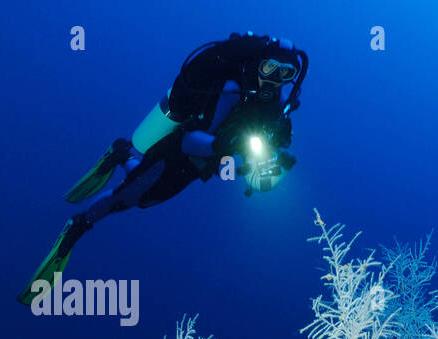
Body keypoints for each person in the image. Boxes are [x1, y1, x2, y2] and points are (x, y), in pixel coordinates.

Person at [19, 32, 306, 304]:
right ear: (258, 63)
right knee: (127, 198)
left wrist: (266, 157)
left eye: (285, 73)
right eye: (269, 67)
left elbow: (258, 142)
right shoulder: (232, 90)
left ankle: (121, 153)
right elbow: (190, 140)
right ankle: (78, 226)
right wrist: (227, 147)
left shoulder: (275, 105)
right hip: (176, 152)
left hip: (198, 168)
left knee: (148, 199)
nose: (274, 79)